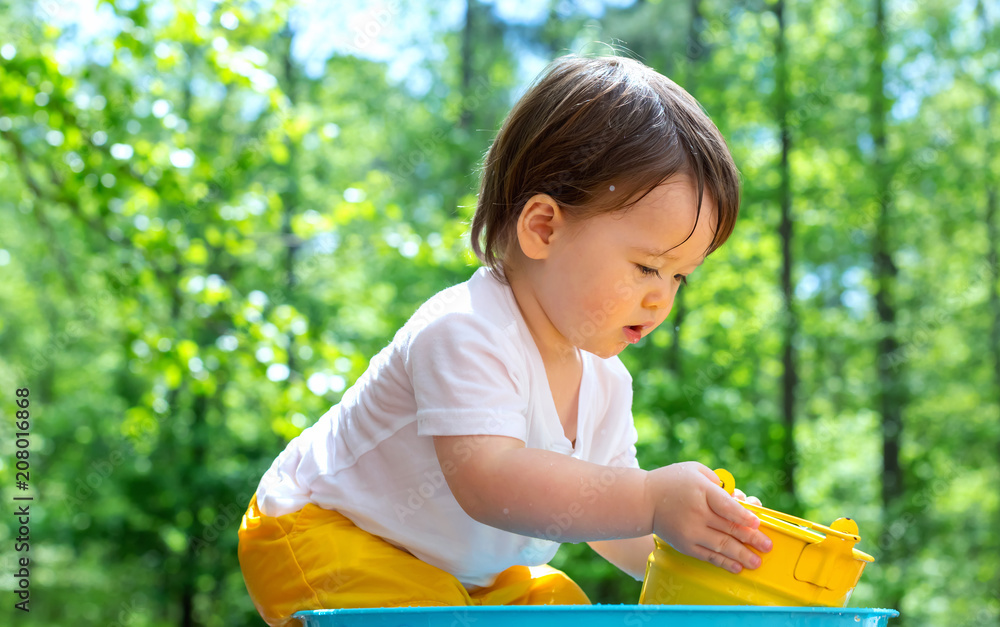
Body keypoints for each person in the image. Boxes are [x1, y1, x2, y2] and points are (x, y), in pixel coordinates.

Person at [237, 53, 772, 627]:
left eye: (679, 277)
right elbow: (489, 481)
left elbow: (610, 518)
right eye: (646, 267)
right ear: (543, 227)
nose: (661, 299)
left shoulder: (608, 383)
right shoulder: (465, 329)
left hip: (455, 575)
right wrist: (649, 497)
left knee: (559, 605)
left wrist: (705, 539)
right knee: (436, 616)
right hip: (324, 529)